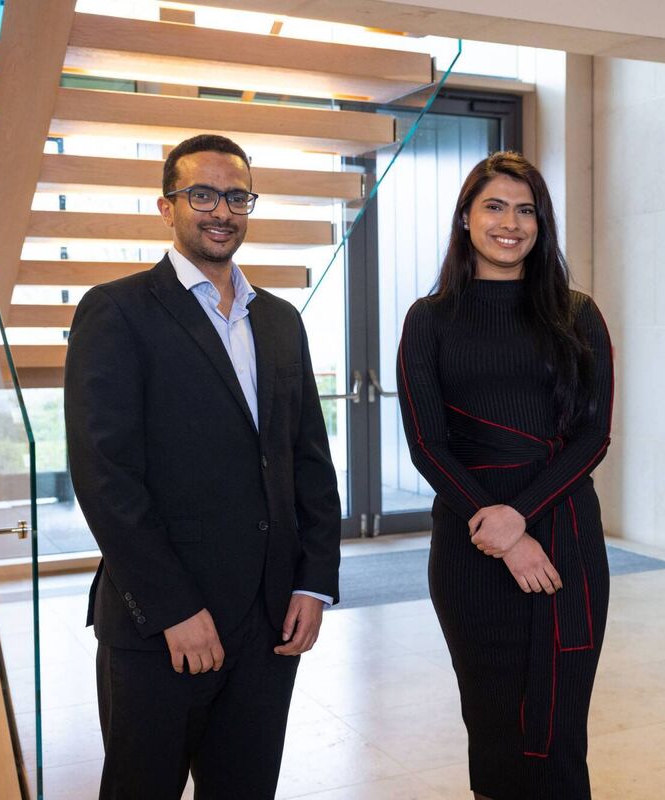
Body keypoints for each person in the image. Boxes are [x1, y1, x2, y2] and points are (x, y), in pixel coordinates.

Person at [65, 133, 341, 799]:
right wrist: (173, 609)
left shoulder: (280, 320)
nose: (222, 211)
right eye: (203, 195)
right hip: (162, 624)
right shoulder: (117, 310)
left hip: (270, 622)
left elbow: (308, 458)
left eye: (237, 197)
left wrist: (314, 583)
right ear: (168, 207)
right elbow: (105, 475)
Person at [397, 152, 613, 799]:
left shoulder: (578, 314)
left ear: (541, 225)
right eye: (494, 206)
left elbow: (593, 437)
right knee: (492, 724)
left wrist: (519, 519)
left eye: (526, 210)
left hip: (566, 539)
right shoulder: (429, 319)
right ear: (466, 218)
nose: (510, 223)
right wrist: (500, 530)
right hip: (471, 549)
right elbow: (427, 443)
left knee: (559, 729)